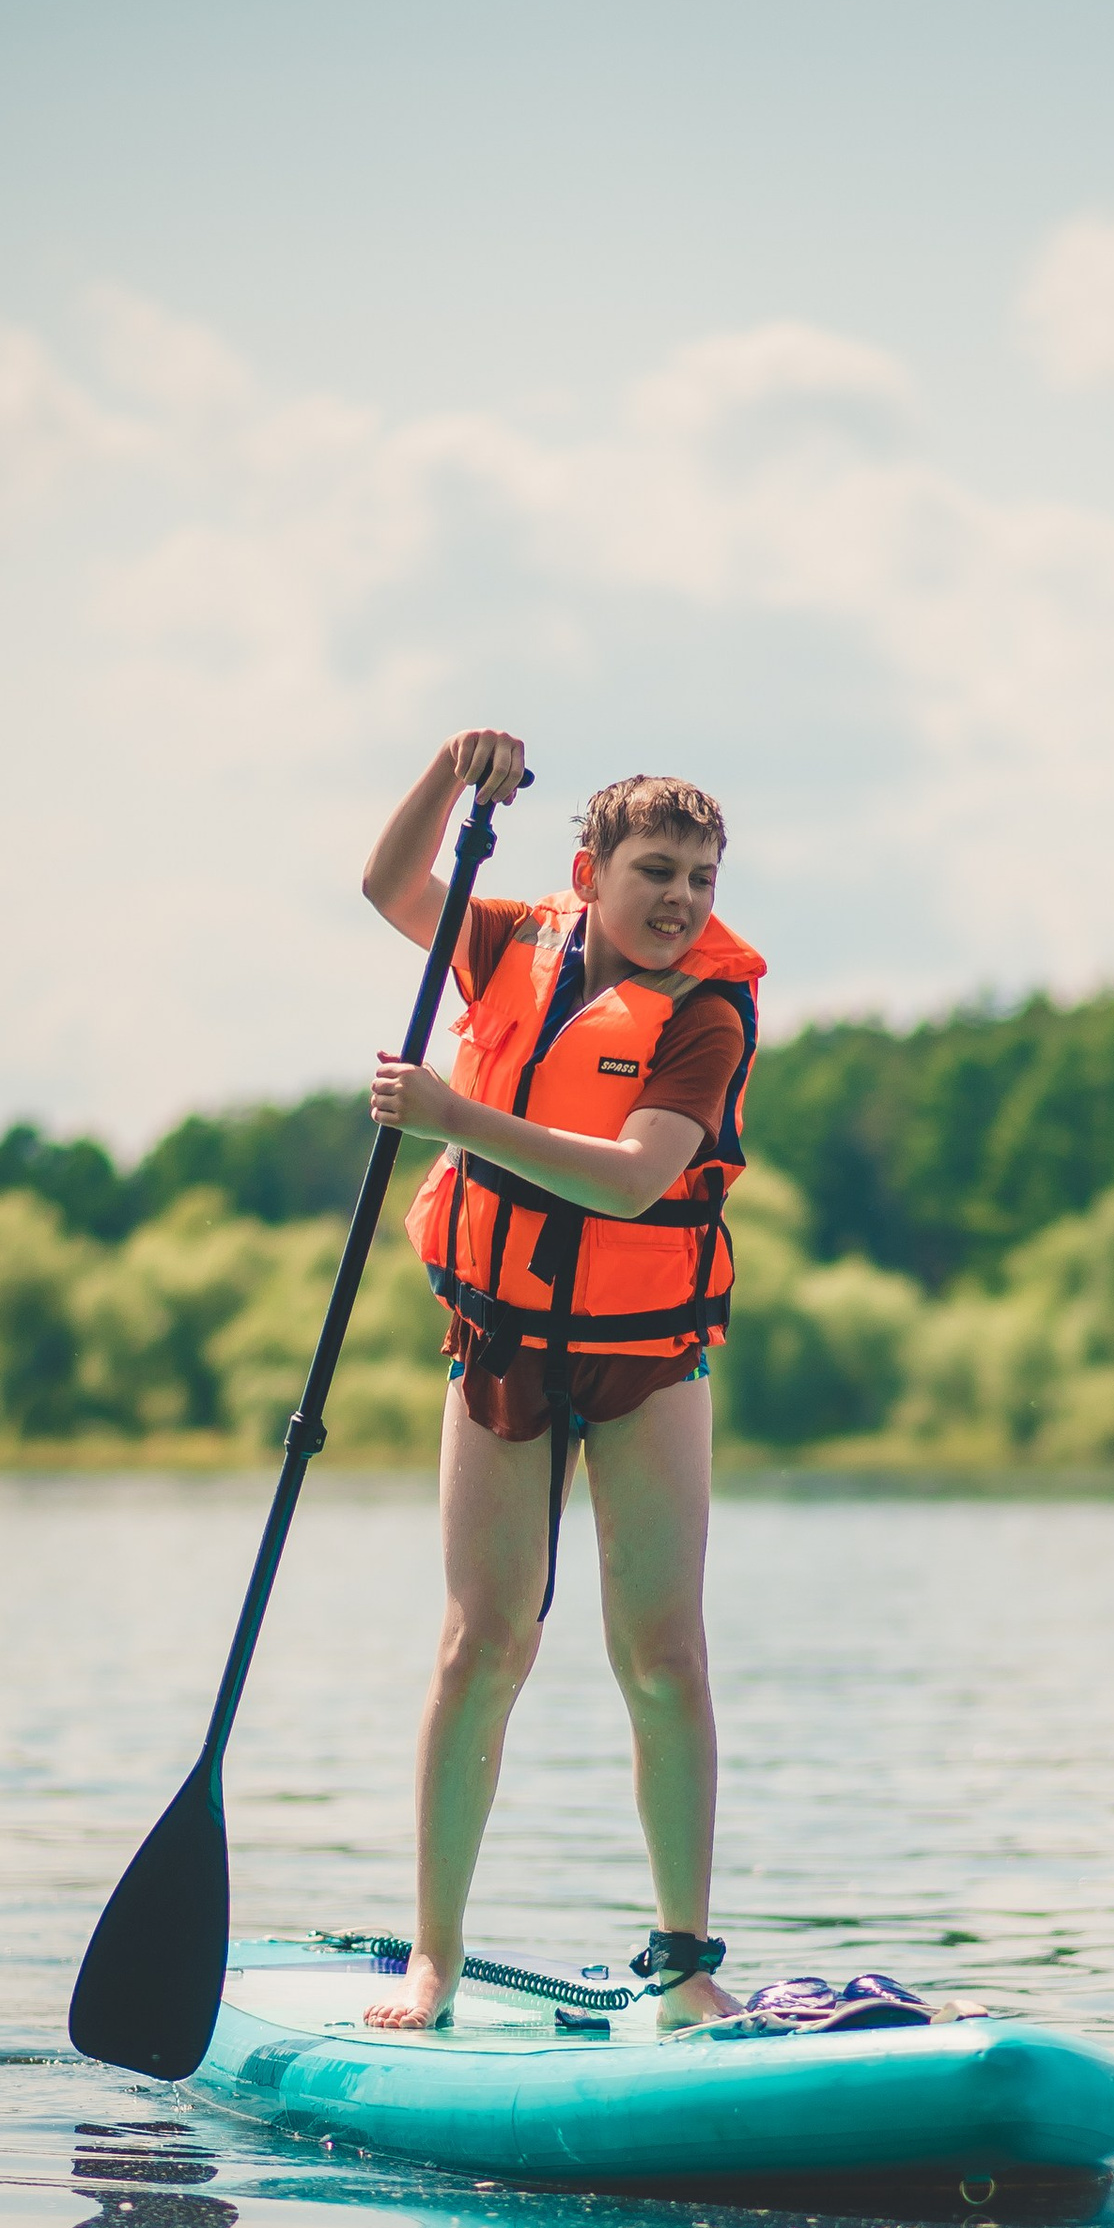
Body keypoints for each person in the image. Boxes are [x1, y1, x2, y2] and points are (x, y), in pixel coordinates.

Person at [359, 727, 762, 2034]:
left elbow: (637, 1176)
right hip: (502, 1339)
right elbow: (388, 886)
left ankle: (686, 1963)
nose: (681, 901)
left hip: (646, 1359)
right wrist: (445, 769)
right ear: (588, 868)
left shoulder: (707, 1010)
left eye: (701, 878)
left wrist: (449, 1117)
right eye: (655, 870)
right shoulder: (511, 942)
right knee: (483, 1646)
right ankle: (435, 1960)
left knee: (664, 1657)